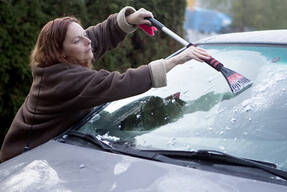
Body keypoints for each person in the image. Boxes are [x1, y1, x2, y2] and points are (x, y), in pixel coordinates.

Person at [0, 6, 211, 162]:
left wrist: (129, 19)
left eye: (83, 34)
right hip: (23, 160)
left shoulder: (60, 60)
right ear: (60, 53)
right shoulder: (63, 80)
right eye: (77, 40)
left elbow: (96, 36)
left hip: (52, 151)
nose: (87, 41)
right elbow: (119, 83)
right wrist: (175, 60)